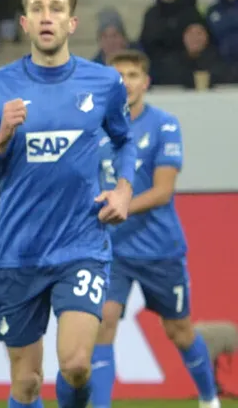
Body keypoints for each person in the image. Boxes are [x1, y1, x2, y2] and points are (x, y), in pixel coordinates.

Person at [0, 0, 136, 408]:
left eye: (56, 8)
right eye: (37, 8)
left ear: (72, 23)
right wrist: (0, 136)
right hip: (18, 253)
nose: (46, 17)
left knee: (76, 364)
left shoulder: (104, 84)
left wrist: (124, 191)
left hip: (81, 245)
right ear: (24, 23)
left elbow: (125, 140)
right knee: (27, 383)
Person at [89, 50, 220, 408]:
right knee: (104, 324)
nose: (126, 82)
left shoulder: (164, 124)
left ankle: (210, 399)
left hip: (159, 247)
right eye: (119, 76)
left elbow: (163, 191)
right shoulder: (94, 128)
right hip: (112, 249)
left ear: (145, 83)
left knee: (179, 332)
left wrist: (119, 206)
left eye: (133, 75)